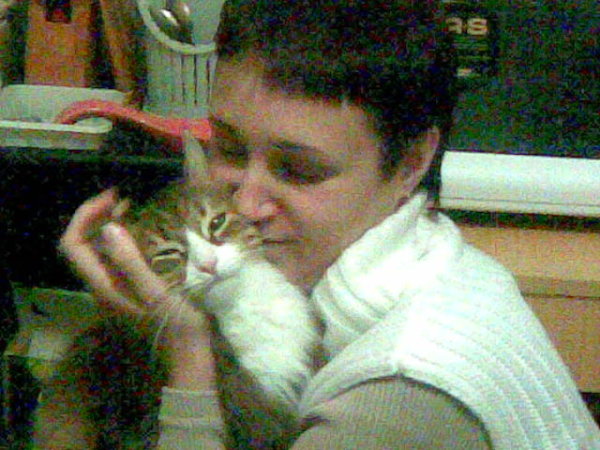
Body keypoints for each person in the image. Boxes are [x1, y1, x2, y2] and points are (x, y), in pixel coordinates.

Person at [59, 0, 600, 448]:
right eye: (228, 147)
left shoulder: (393, 403)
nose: (245, 204)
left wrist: (189, 360)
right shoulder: (436, 259)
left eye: (300, 170)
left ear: (411, 163)